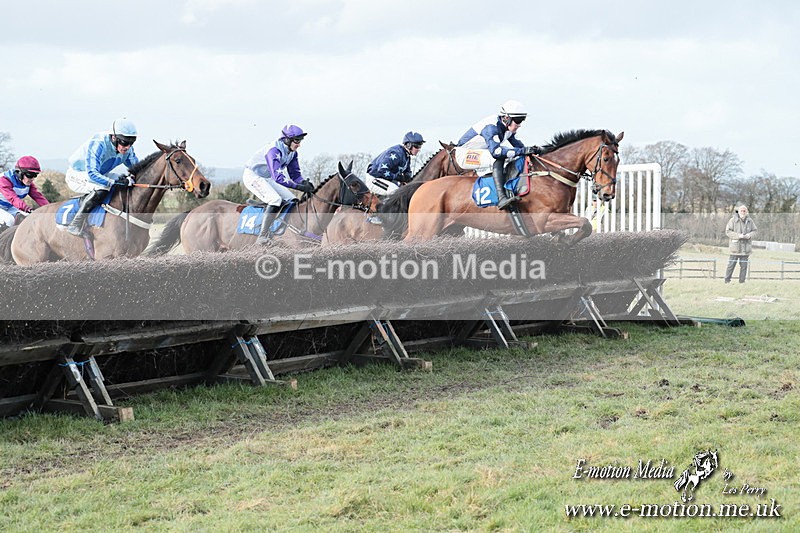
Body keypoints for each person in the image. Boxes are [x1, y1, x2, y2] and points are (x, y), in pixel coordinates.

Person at [456, 100, 541, 210]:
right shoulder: (491, 127)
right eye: (518, 120)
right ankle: (502, 198)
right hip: (465, 154)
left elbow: (518, 147)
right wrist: (522, 151)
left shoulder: (507, 126)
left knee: (513, 154)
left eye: (522, 120)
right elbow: (496, 153)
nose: (519, 125)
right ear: (506, 118)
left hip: (482, 150)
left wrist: (531, 151)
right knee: (499, 158)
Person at [65, 118, 140, 236]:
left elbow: (138, 169)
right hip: (78, 174)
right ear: (114, 138)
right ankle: (75, 223)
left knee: (125, 180)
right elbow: (92, 174)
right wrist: (115, 182)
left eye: (131, 143)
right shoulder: (99, 142)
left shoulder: (127, 149)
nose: (128, 147)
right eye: (125, 142)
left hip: (100, 174)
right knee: (103, 187)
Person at [242, 124, 315, 244]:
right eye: (297, 140)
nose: (299, 144)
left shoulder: (292, 153)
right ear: (287, 139)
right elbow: (279, 178)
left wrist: (304, 182)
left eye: (300, 141)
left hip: (267, 177)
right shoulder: (273, 151)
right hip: (253, 176)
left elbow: (295, 175)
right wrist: (299, 187)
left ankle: (283, 229)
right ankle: (262, 236)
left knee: (293, 200)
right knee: (275, 200)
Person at [0, 156, 50, 229]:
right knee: (8, 220)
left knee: (28, 219)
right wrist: (27, 209)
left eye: (35, 175)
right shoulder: (4, 180)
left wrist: (51, 209)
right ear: (19, 172)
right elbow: (13, 199)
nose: (32, 179)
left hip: (8, 207)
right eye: (30, 175)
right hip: (4, 207)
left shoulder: (27, 183)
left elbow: (38, 197)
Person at [724, 205, 757, 284]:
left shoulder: (750, 221)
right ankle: (727, 281)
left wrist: (749, 235)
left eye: (744, 211)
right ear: (738, 212)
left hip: (746, 249)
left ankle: (742, 282)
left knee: (744, 267)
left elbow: (755, 231)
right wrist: (738, 236)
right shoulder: (732, 220)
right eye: (741, 211)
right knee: (731, 265)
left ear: (747, 212)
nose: (743, 212)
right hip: (735, 248)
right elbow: (728, 232)